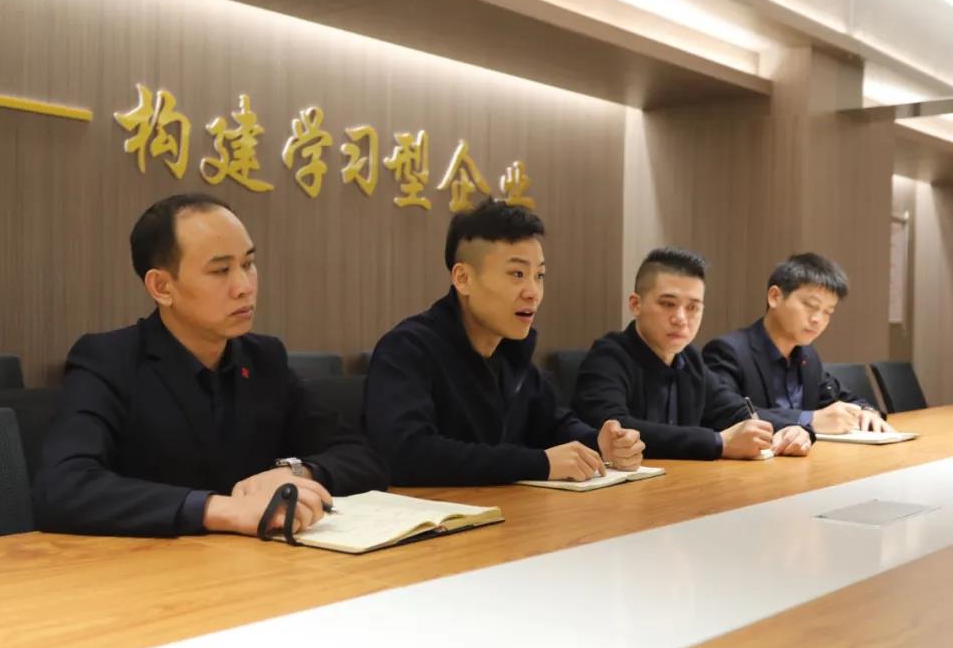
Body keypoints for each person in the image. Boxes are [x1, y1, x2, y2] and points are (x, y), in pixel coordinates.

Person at [34, 193, 387, 537]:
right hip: (148, 565)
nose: (244, 287)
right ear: (162, 287)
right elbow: (63, 488)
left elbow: (362, 456)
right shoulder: (109, 360)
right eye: (220, 271)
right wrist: (219, 510)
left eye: (248, 264)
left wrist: (296, 472)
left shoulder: (264, 359)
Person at [364, 199, 644, 487]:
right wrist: (540, 464)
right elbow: (406, 453)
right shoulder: (407, 349)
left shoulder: (511, 351)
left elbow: (553, 424)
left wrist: (599, 443)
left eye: (539, 276)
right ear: (463, 278)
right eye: (517, 274)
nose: (533, 292)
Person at [572, 247, 812, 460]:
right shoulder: (608, 356)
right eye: (668, 304)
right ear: (636, 305)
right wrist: (717, 442)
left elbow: (736, 411)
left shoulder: (690, 359)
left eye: (693, 307)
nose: (681, 318)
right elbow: (616, 430)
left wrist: (790, 429)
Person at [703, 252, 893, 434]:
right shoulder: (728, 351)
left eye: (828, 312)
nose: (818, 319)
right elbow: (725, 414)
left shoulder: (807, 355)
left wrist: (867, 412)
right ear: (775, 297)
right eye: (811, 306)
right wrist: (809, 419)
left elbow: (842, 396)